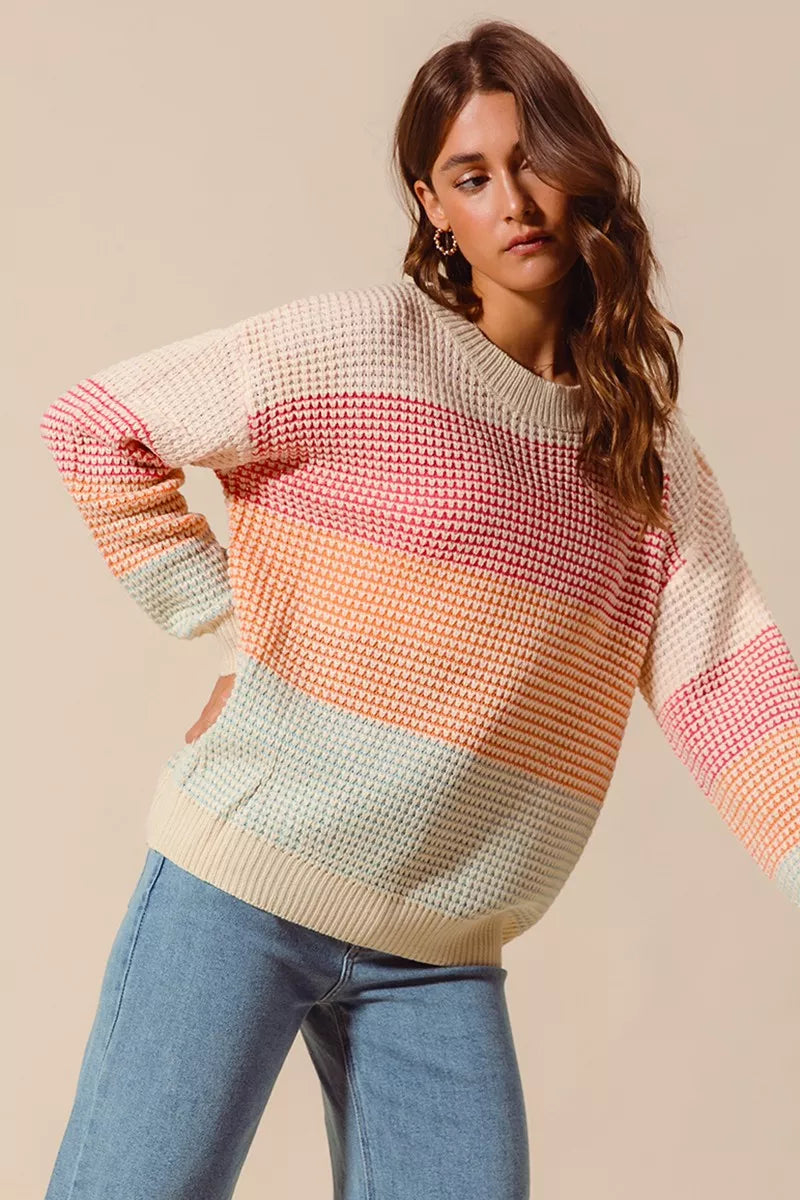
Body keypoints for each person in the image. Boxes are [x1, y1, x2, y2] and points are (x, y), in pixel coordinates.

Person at [39, 18, 800, 1200]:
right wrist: (232, 630)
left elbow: (734, 686)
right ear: (431, 206)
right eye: (471, 175)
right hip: (241, 888)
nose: (515, 201)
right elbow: (97, 426)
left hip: (439, 952)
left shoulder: (644, 462)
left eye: (532, 161)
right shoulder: (366, 348)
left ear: (583, 170)